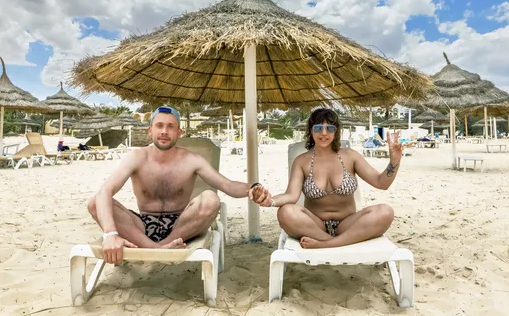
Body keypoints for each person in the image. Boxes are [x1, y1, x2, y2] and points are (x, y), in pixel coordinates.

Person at [87, 105, 270, 264]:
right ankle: (158, 249)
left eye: (171, 126)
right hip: (142, 225)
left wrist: (252, 188)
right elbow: (106, 191)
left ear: (179, 133)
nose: (164, 131)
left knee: (210, 198)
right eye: (159, 126)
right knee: (95, 201)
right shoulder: (136, 157)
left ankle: (158, 247)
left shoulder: (191, 160)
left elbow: (227, 185)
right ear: (150, 130)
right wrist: (110, 234)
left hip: (181, 225)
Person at [259, 108, 402, 249]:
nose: (324, 133)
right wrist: (270, 201)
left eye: (330, 128)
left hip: (348, 224)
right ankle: (337, 242)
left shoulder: (350, 157)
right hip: (315, 226)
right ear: (311, 130)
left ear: (336, 131)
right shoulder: (302, 161)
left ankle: (327, 244)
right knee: (285, 212)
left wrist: (394, 161)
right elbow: (291, 195)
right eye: (318, 128)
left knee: (386, 211)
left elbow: (381, 183)